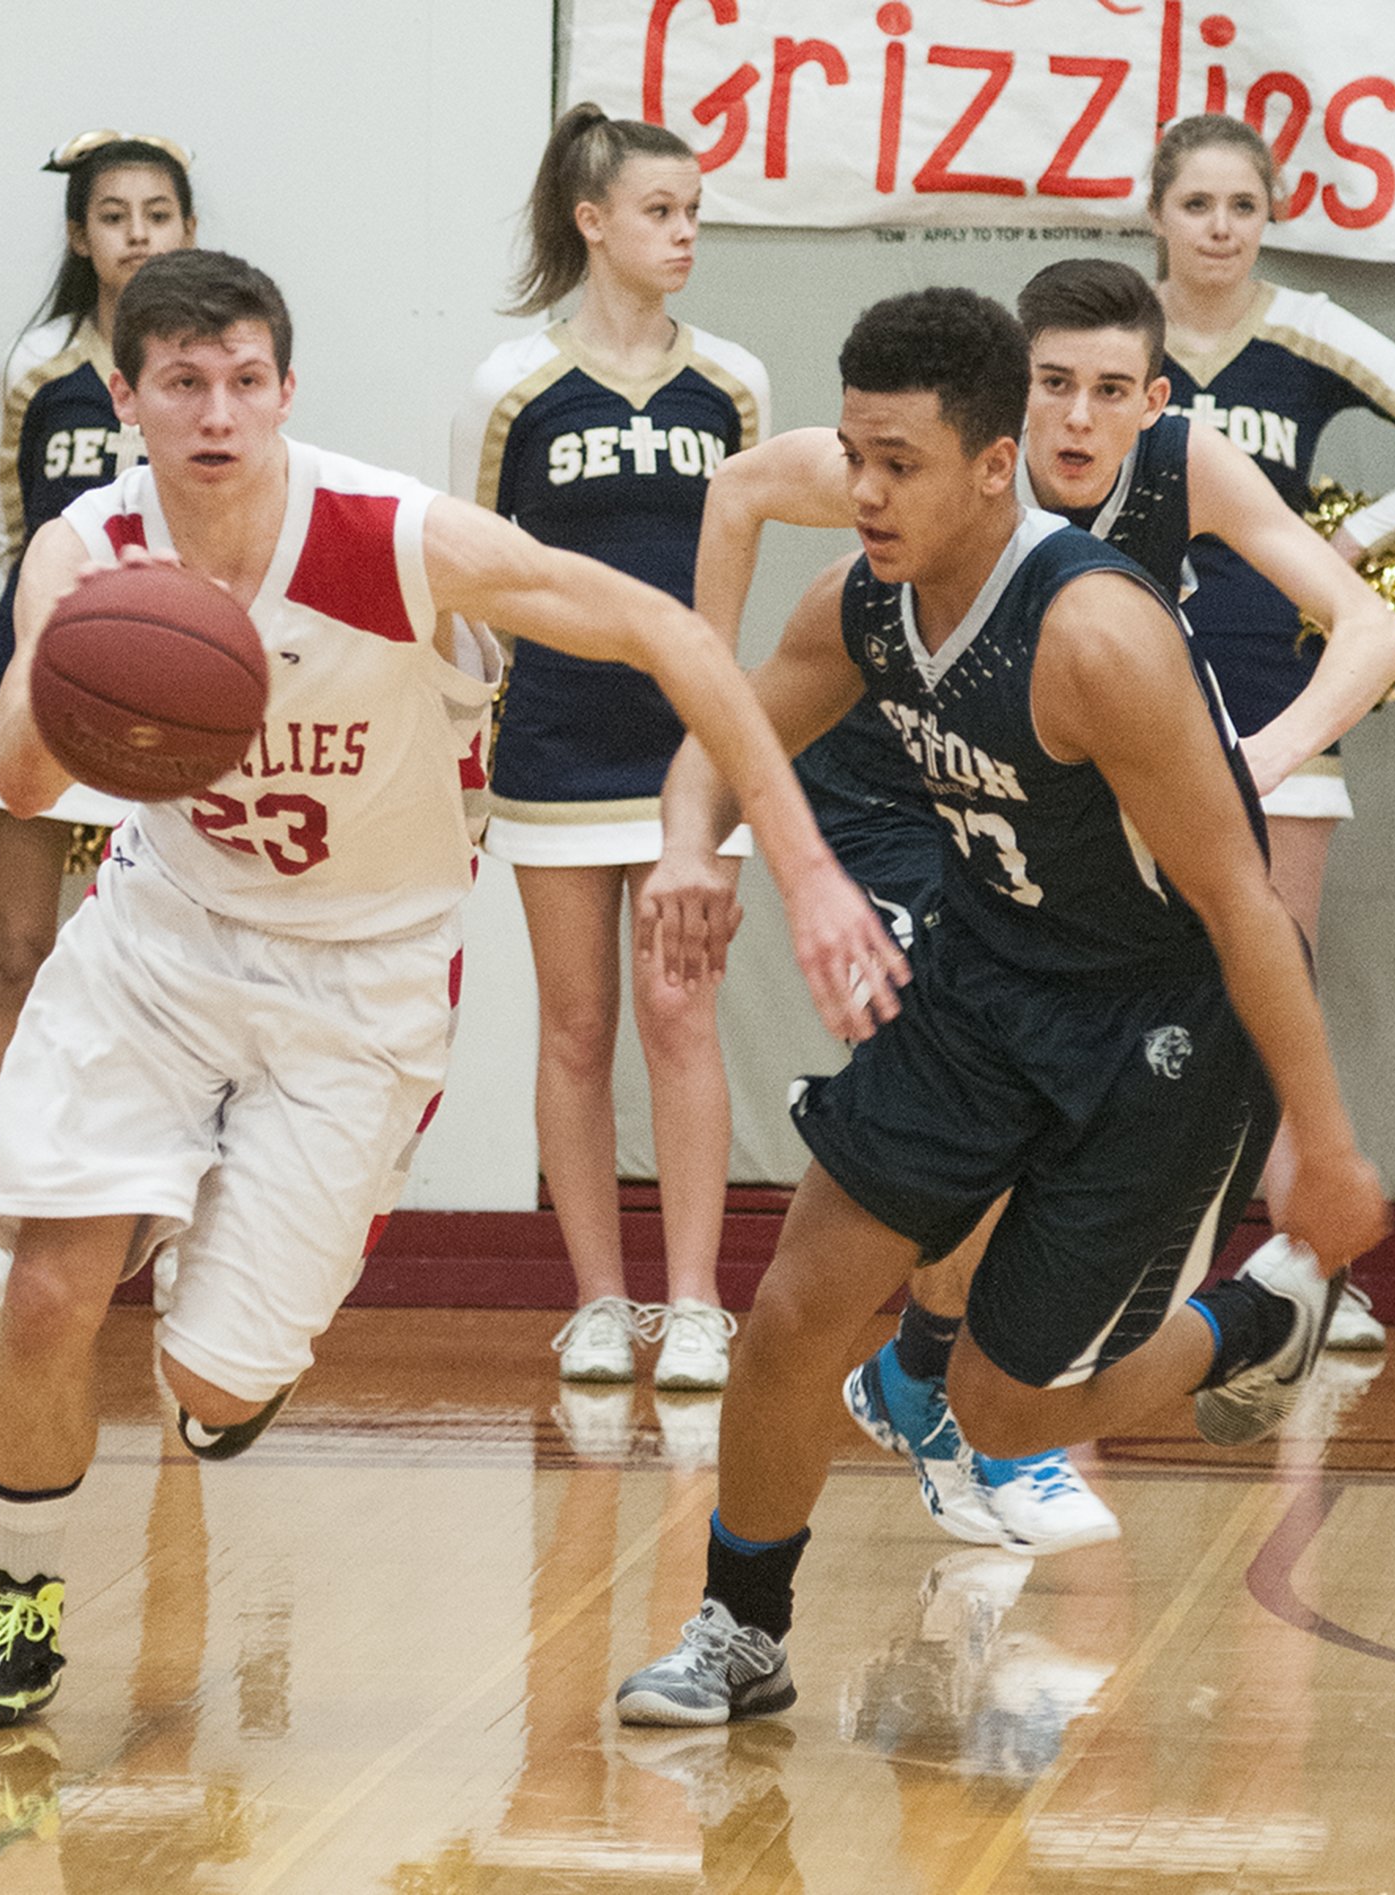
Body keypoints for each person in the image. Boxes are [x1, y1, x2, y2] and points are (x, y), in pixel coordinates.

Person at [0, 248, 906, 1729]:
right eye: (181, 382)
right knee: (48, 1287)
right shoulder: (87, 549)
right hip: (162, 940)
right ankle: (17, 1605)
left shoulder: (392, 536)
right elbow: (37, 784)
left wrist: (799, 862)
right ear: (127, 398)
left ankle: (269, 1293)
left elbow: (673, 633)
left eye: (246, 378)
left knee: (214, 1385)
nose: (217, 410)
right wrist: (83, 677)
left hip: (359, 971)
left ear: (287, 389)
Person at [613, 288, 1387, 1727]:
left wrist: (1325, 1146)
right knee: (793, 1314)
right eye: (852, 453)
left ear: (989, 464)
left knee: (1003, 1406)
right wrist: (683, 846)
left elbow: (1242, 905)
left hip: (1154, 1030)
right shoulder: (861, 601)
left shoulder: (1097, 636)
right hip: (977, 982)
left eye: (897, 462)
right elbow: (721, 730)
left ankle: (1244, 1327)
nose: (861, 491)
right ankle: (741, 1628)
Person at [1152, 114, 1395, 1353]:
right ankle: (1131, 1264)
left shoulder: (1300, 329)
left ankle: (1309, 1260)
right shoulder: (1112, 346)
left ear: (1266, 216)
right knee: (1136, 988)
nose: (1220, 228)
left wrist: (1343, 551)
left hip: (1278, 699)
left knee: (1274, 985)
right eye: (1196, 205)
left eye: (1242, 205)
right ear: (1156, 215)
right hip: (1136, 705)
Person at [451, 104, 770, 1393]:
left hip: (685, 754)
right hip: (552, 745)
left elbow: (735, 568)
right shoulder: (508, 385)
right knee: (576, 1025)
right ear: (593, 222)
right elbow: (468, 575)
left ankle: (694, 1301)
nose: (684, 231)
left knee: (679, 1013)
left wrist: (725, 725)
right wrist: (481, 732)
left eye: (693, 211)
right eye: (659, 211)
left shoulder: (732, 382)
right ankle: (597, 1299)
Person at [0, 131, 200, 1321]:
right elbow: (12, 524)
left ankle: (178, 1228)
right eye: (114, 214)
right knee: (16, 954)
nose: (137, 232)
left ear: (188, 229)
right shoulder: (37, 368)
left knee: (175, 973)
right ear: (80, 235)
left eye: (159, 213)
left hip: (177, 698)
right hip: (36, 681)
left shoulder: (206, 367)